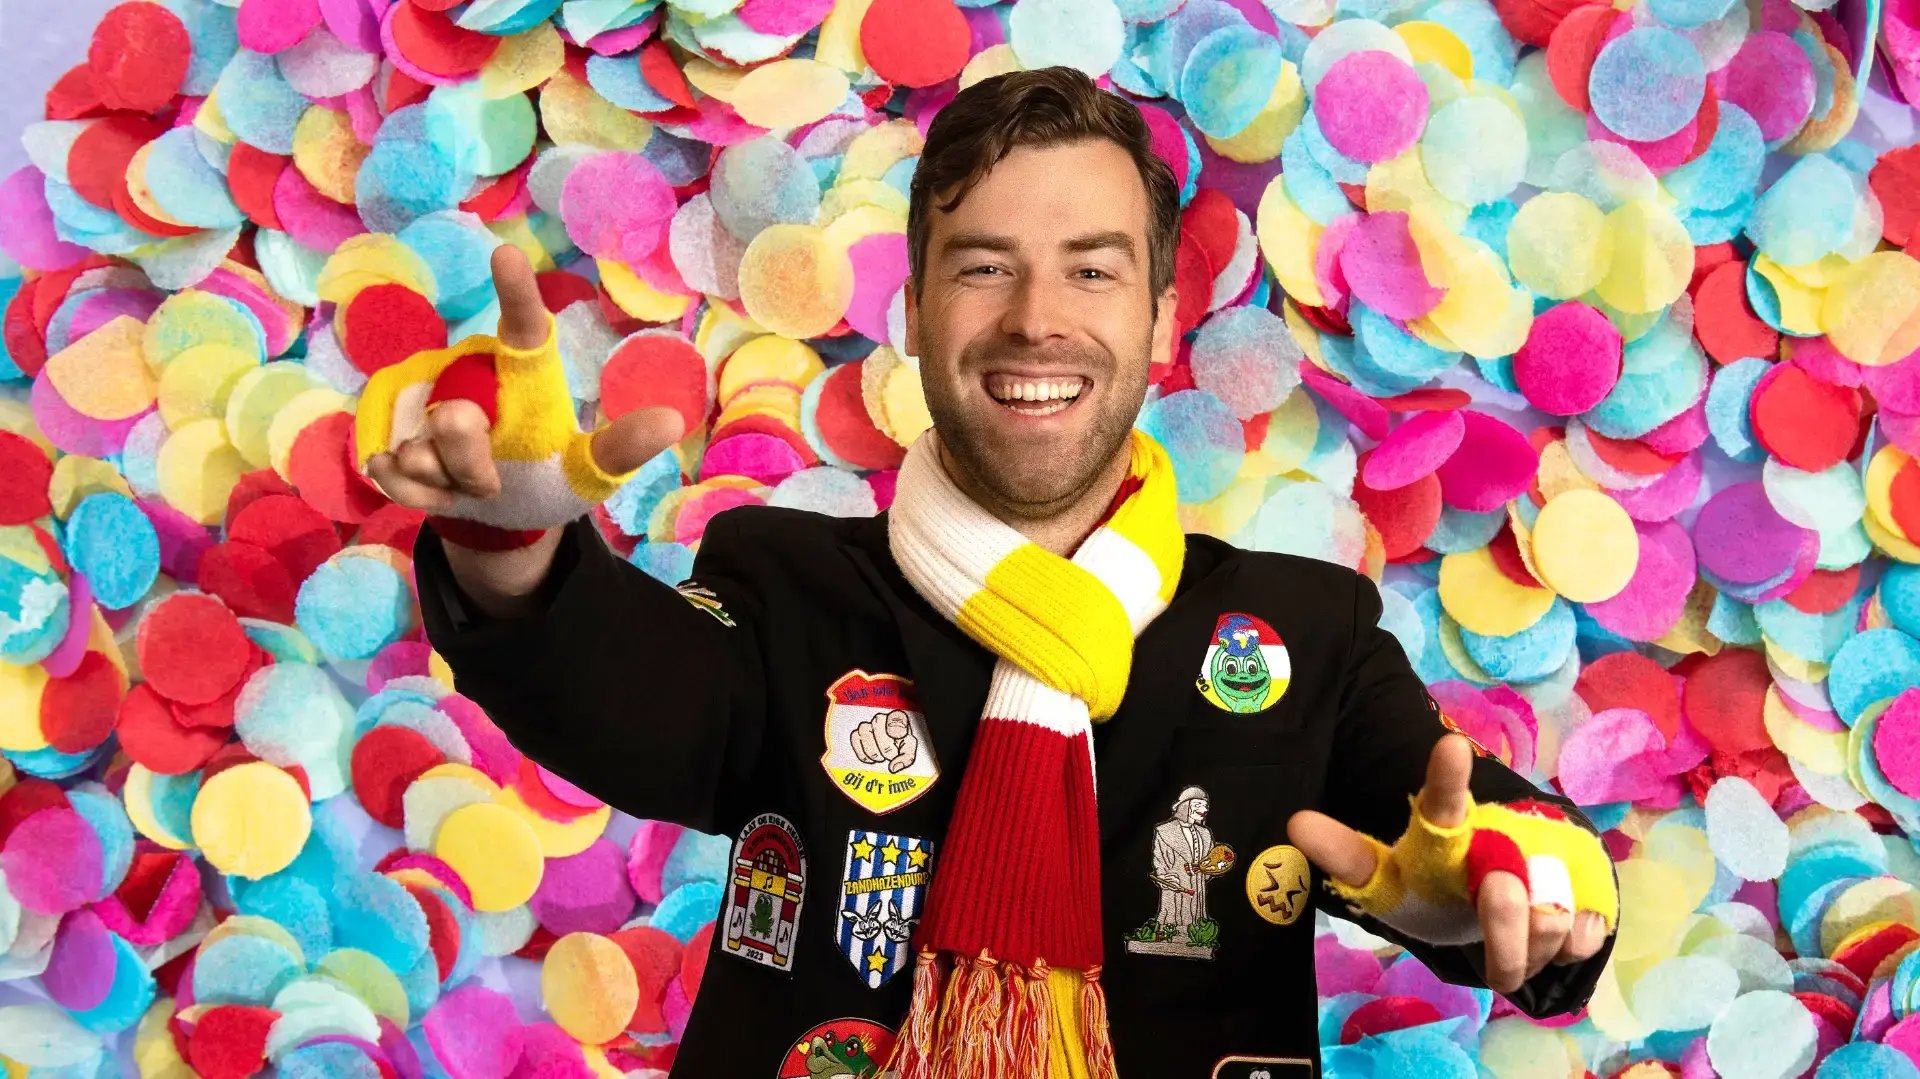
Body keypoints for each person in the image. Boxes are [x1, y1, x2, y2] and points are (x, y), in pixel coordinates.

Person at [364, 66, 1620, 1079]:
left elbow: (1489, 834)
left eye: (1092, 268)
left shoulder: (1306, 631)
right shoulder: (785, 584)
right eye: (983, 266)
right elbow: (625, 689)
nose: (1035, 318)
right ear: (914, 311)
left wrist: (1513, 890)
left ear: (1161, 318)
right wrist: (507, 539)